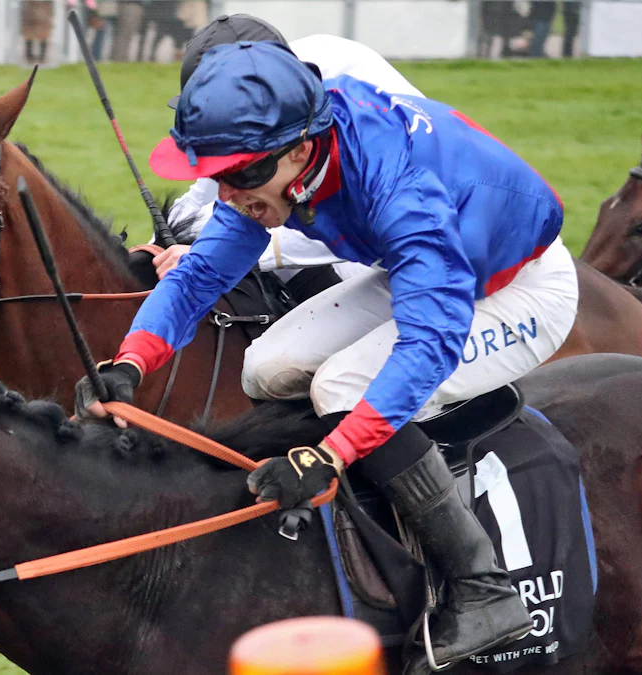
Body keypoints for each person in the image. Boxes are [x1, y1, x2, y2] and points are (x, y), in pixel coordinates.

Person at [75, 41, 578, 673]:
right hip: (423, 268)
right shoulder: (284, 161)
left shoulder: (396, 186)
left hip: (521, 288)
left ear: (299, 150)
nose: (226, 196)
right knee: (266, 366)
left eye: (242, 176)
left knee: (342, 388)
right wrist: (129, 363)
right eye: (218, 177)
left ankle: (482, 586)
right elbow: (198, 276)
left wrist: (330, 454)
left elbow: (429, 343)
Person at [154, 17, 425, 295]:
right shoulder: (265, 85)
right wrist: (150, 252)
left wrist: (208, 254)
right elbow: (203, 195)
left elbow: (344, 224)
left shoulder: (344, 96)